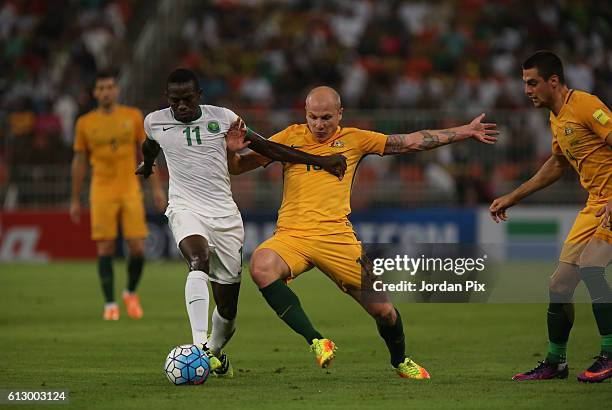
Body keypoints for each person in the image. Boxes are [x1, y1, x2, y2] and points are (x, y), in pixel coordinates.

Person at [226, 85, 498, 379]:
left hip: (338, 239)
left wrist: (465, 131)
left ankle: (400, 360)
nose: (318, 124)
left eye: (326, 117)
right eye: (313, 117)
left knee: (384, 312)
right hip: (293, 236)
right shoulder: (288, 137)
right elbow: (239, 167)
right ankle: (317, 341)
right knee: (261, 266)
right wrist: (229, 152)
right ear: (305, 113)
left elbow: (411, 142)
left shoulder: (355, 139)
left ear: (340, 114)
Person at [137, 68, 346, 378]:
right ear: (167, 99)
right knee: (198, 259)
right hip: (184, 207)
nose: (180, 106)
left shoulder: (223, 118)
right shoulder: (155, 121)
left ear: (199, 97)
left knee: (228, 310)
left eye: (187, 99)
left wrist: (321, 161)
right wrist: (148, 163)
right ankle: (199, 349)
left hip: (225, 218)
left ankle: (214, 351)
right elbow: (151, 143)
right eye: (174, 100)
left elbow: (268, 148)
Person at [490, 51, 612, 383]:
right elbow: (557, 165)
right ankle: (555, 363)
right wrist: (512, 197)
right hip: (595, 205)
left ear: (553, 81)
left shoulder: (586, 105)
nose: (527, 90)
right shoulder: (557, 116)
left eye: (532, 83)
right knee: (559, 285)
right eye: (524, 83)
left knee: (591, 266)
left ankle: (609, 353)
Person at [70, 69, 167, 321]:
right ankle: (110, 304)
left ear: (117, 89)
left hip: (130, 188)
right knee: (106, 247)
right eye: (100, 88)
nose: (105, 92)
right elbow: (79, 161)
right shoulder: (84, 123)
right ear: (94, 92)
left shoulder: (133, 117)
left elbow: (148, 154)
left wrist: (157, 189)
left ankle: (130, 292)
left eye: (109, 87)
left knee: (137, 248)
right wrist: (74, 198)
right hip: (101, 191)